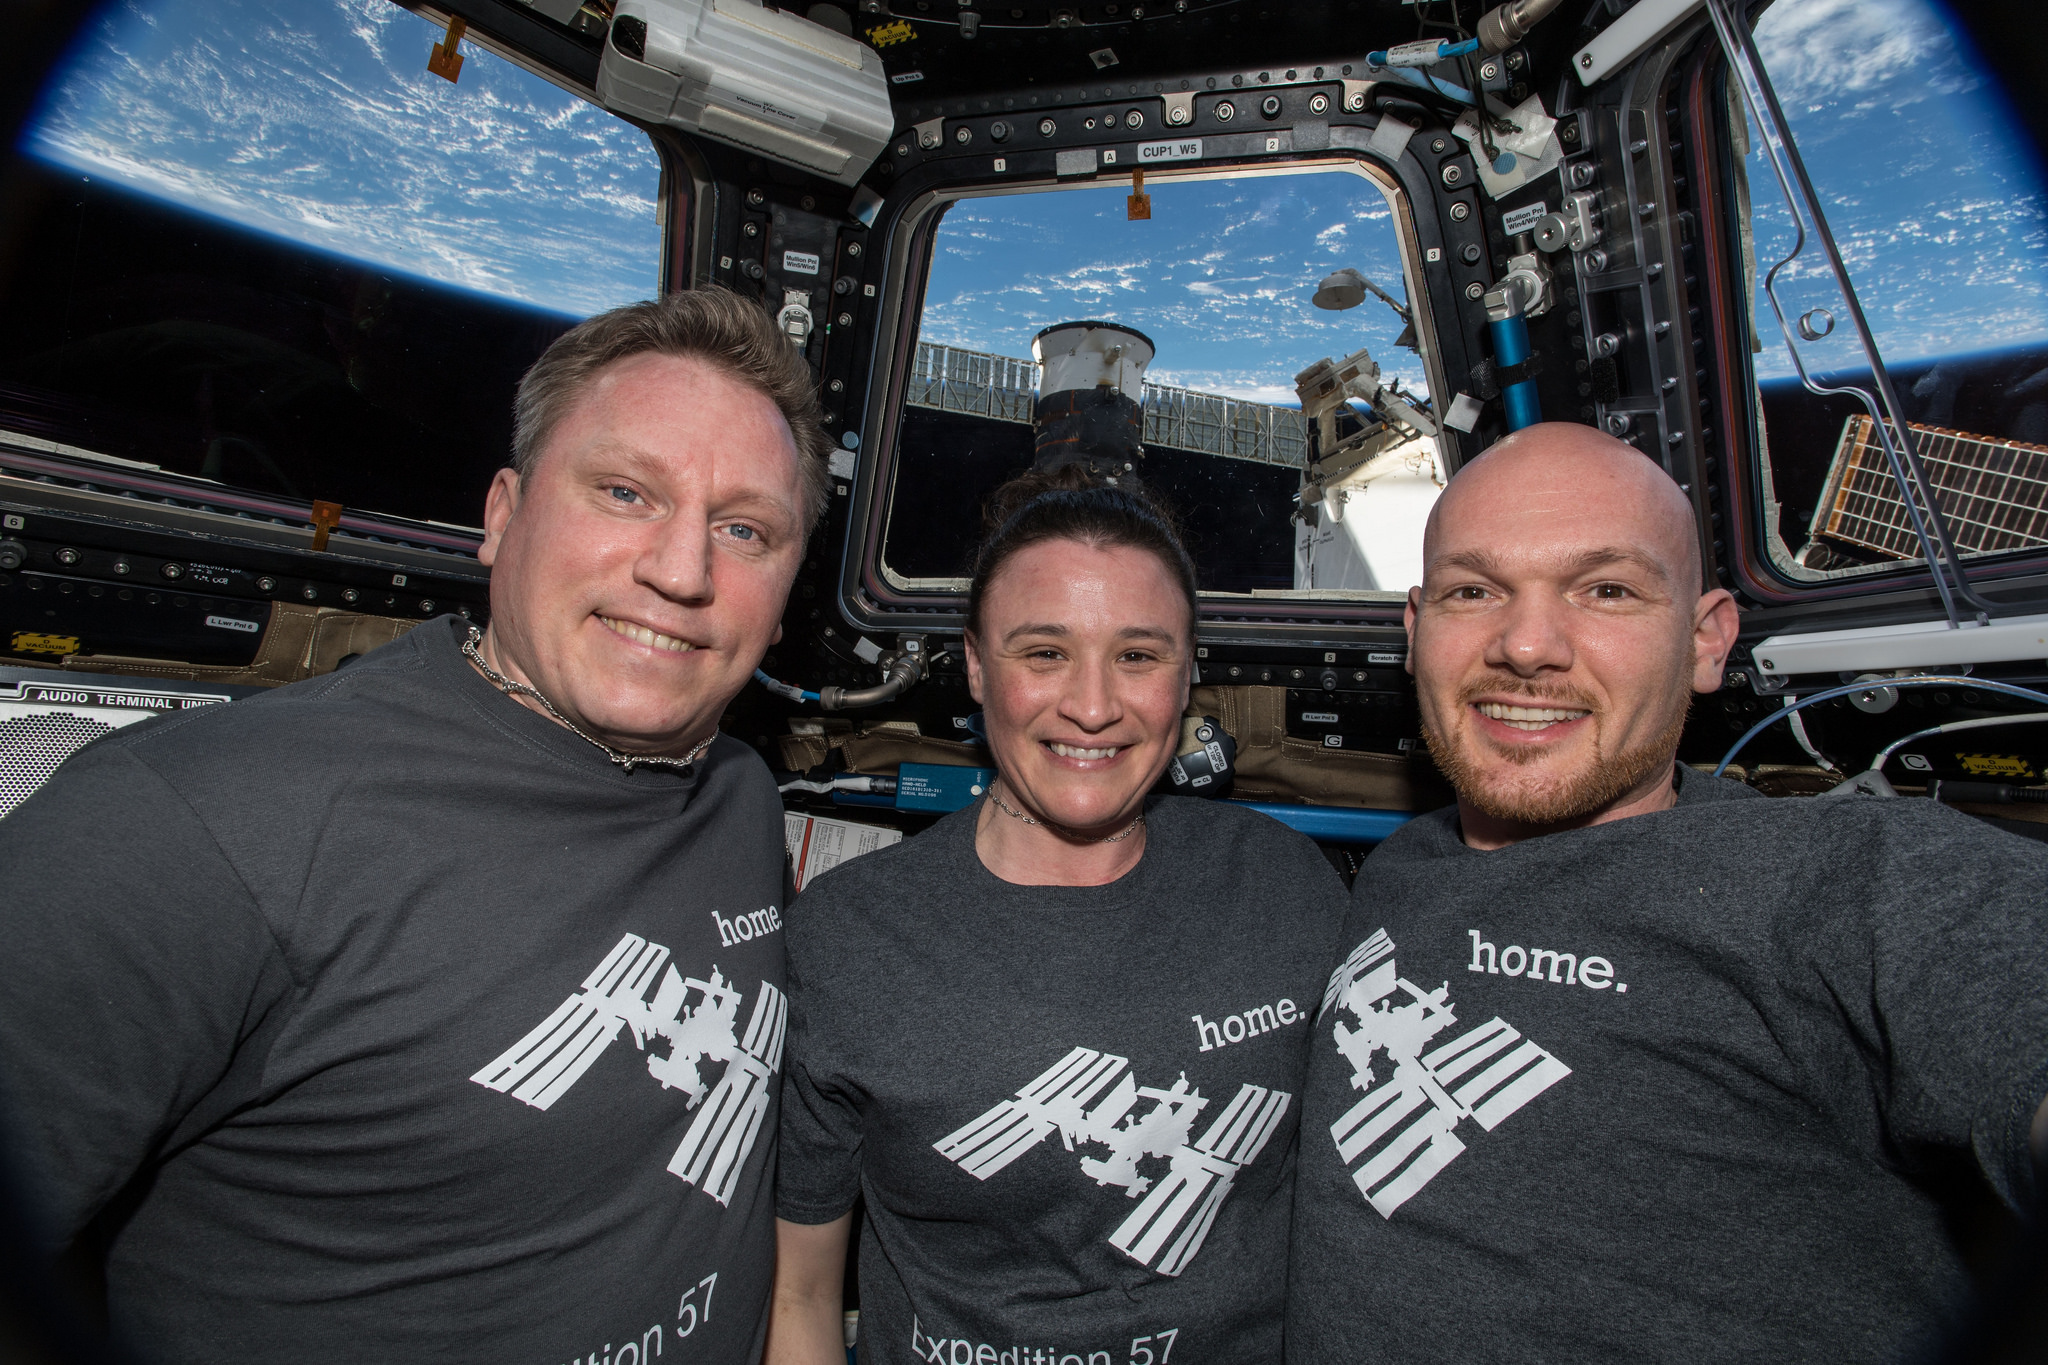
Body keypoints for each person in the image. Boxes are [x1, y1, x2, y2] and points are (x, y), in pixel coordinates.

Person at [0, 288, 832, 1363]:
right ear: (501, 515)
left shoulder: (738, 796)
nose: (680, 572)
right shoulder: (188, 827)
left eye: (743, 529)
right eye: (625, 492)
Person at [1285, 422, 2048, 1363]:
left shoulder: (1846, 880)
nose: (1525, 644)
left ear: (1704, 640)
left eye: (1606, 590)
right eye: (1473, 591)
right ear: (1415, 631)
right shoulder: (1400, 864)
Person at [768, 469, 1349, 1365]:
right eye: (1044, 652)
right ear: (973, 663)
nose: (1091, 705)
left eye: (1139, 655)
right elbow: (801, 1293)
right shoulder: (848, 936)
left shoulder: (1285, 885)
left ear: (1189, 670)